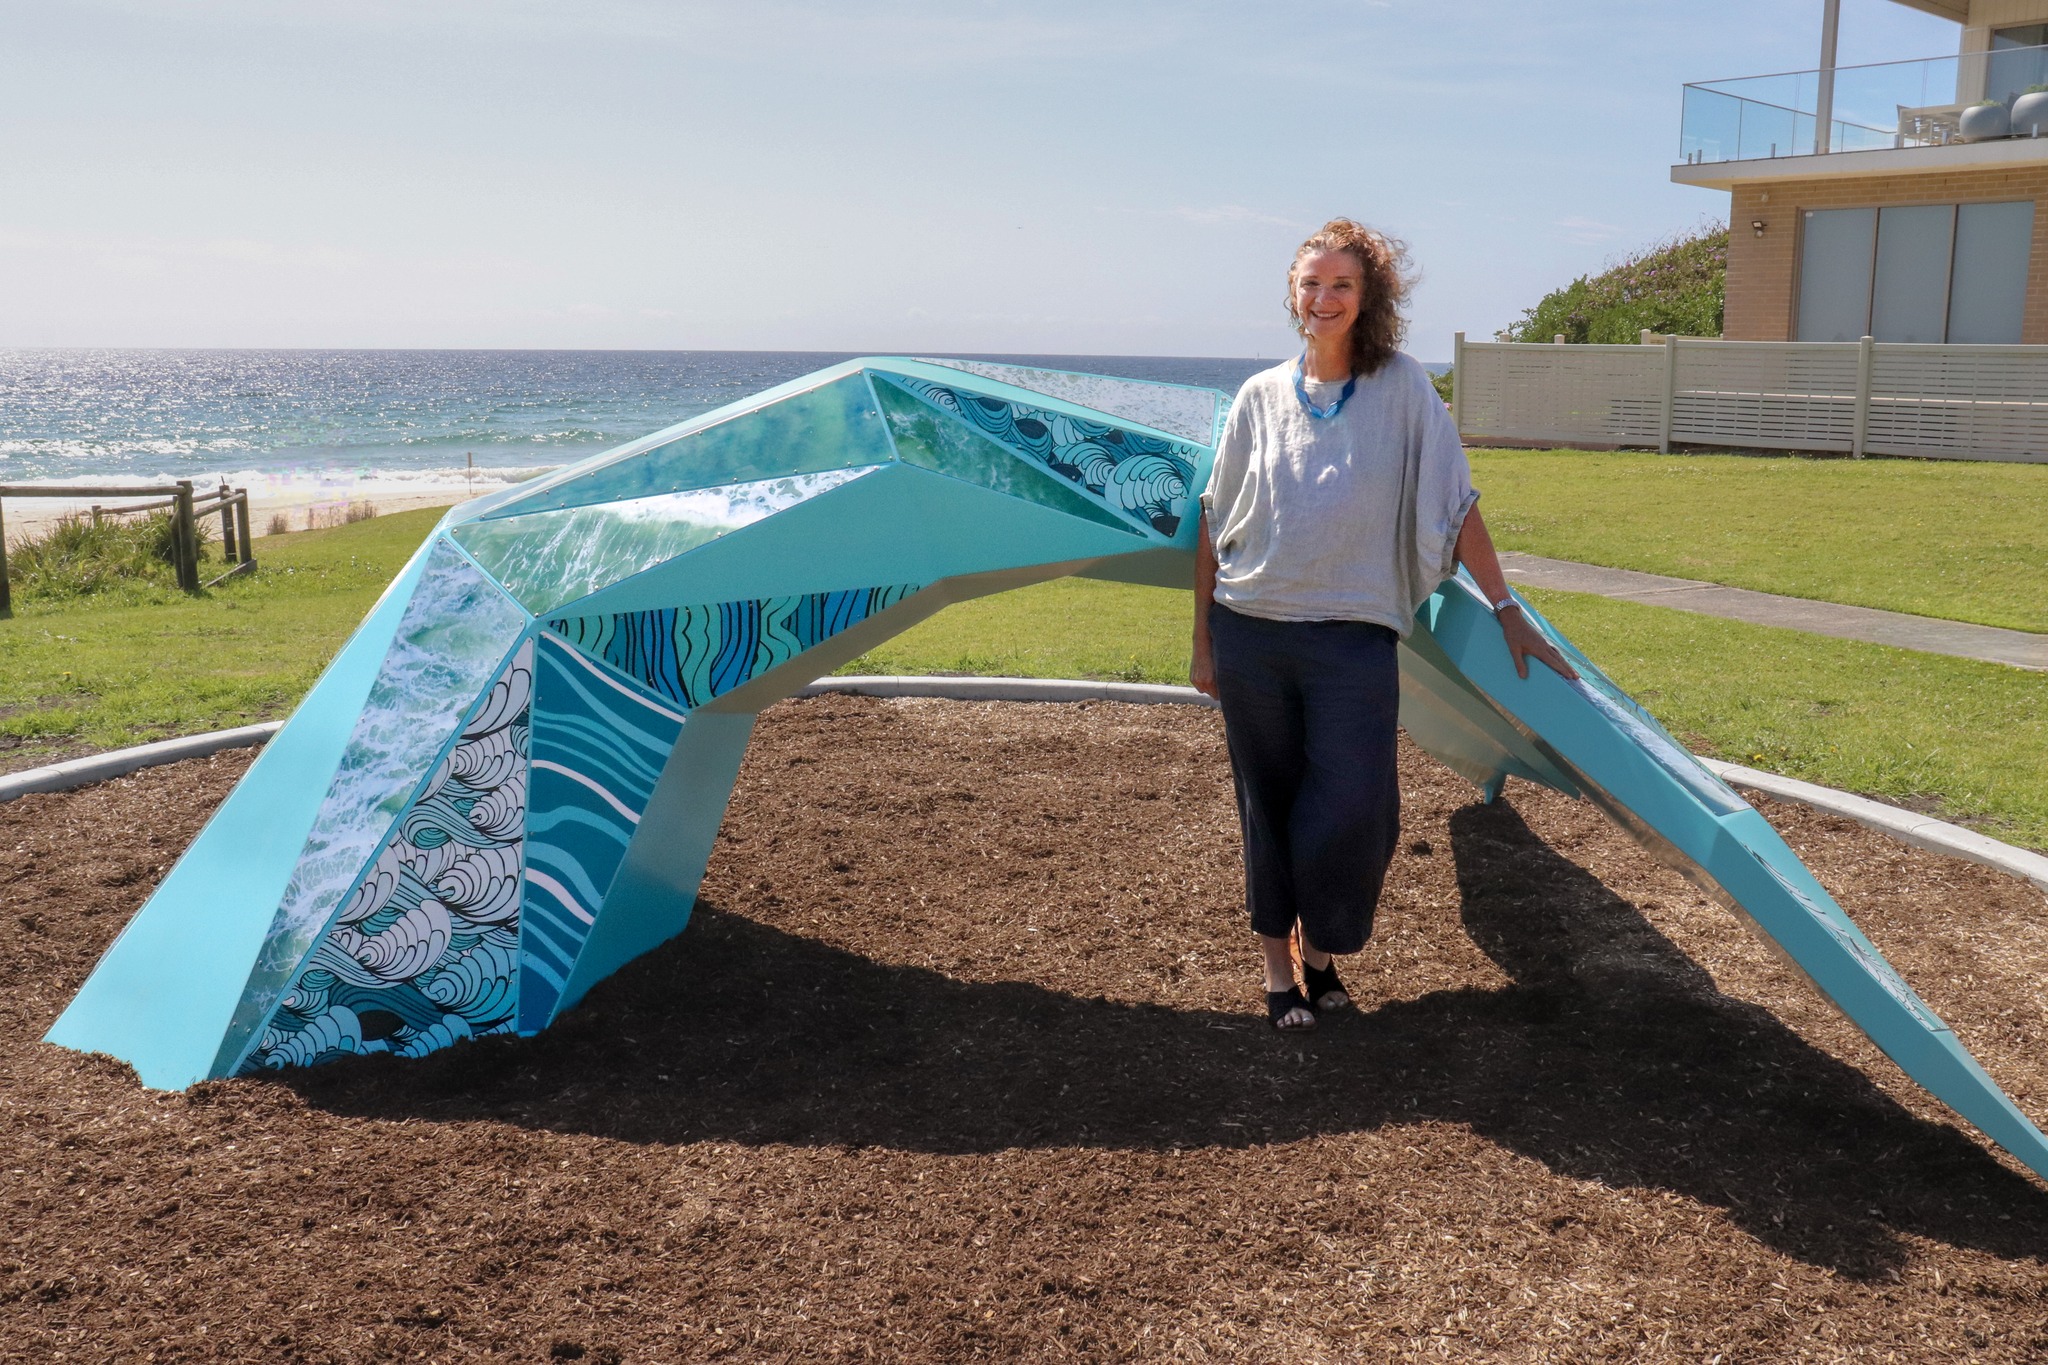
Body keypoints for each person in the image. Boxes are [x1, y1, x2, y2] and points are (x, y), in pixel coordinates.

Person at [1190, 218, 1577, 1032]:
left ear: (1369, 297)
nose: (1324, 298)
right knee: (1268, 803)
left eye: (1342, 284)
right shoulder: (1260, 396)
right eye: (1311, 283)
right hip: (1253, 629)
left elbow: (1456, 503)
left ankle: (1321, 950)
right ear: (1292, 293)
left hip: (1354, 639)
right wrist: (1202, 641)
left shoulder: (1402, 389)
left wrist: (1506, 607)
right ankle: (1283, 971)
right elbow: (1213, 520)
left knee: (1355, 807)